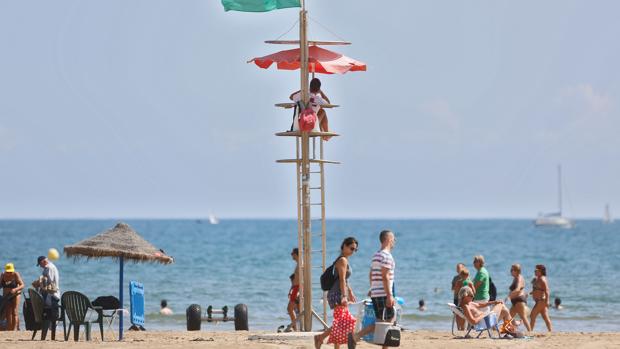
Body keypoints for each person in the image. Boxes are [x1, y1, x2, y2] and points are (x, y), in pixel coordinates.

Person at [347, 230, 397, 349]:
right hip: (383, 293)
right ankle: (356, 336)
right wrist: (389, 295)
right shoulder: (386, 256)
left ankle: (357, 337)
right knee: (387, 321)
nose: (394, 241)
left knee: (382, 321)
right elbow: (385, 277)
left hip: (377, 292)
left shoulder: (376, 255)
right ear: (388, 239)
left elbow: (371, 274)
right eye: (393, 239)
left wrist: (372, 287)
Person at [313, 237, 358, 349]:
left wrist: (350, 291)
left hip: (339, 293)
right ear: (344, 246)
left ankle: (325, 340)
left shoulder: (343, 260)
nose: (353, 251)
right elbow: (342, 279)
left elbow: (344, 280)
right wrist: (344, 296)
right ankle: (320, 337)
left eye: (355, 250)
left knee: (340, 322)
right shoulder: (342, 260)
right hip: (337, 294)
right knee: (341, 323)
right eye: (351, 248)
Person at [507, 264, 531, 331]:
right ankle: (512, 329)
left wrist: (509, 296)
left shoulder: (519, 278)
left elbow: (518, 289)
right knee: (509, 316)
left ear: (517, 271)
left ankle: (530, 331)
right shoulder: (515, 278)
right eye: (510, 270)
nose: (510, 271)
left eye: (512, 270)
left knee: (523, 317)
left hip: (519, 300)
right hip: (515, 301)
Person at [1, 263, 25, 331]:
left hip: (15, 295)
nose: (9, 273)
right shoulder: (2, 275)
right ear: (5, 271)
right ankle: (10, 329)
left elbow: (22, 285)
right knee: (8, 313)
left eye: (10, 272)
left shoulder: (15, 274)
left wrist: (15, 289)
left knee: (14, 312)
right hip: (6, 296)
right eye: (8, 272)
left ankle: (15, 329)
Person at [530, 264, 552, 332]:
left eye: (536, 270)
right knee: (545, 317)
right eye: (534, 270)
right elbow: (537, 289)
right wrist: (530, 293)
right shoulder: (537, 279)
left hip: (541, 301)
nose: (535, 271)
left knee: (532, 315)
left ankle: (530, 331)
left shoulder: (542, 279)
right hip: (539, 301)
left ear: (541, 271)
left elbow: (547, 290)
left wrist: (547, 301)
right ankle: (550, 331)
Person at [287, 248, 300, 331]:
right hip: (295, 288)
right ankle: (297, 327)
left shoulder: (300, 264)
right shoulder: (298, 264)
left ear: (296, 254)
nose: (291, 255)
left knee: (290, 309)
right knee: (299, 309)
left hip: (297, 289)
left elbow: (302, 280)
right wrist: (291, 289)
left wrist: (298, 291)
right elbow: (296, 279)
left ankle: (295, 327)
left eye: (292, 253)